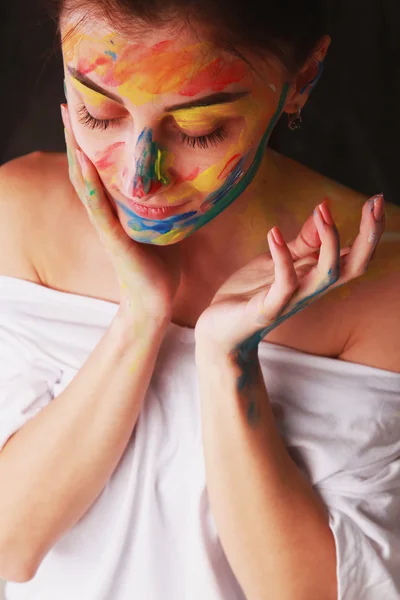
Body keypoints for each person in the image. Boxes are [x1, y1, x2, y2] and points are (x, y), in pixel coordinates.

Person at [0, 0, 399, 598]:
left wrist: (227, 359)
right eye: (99, 112)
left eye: (198, 130)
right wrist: (140, 319)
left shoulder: (378, 280)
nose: (140, 181)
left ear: (303, 79)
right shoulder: (18, 215)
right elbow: (11, 544)